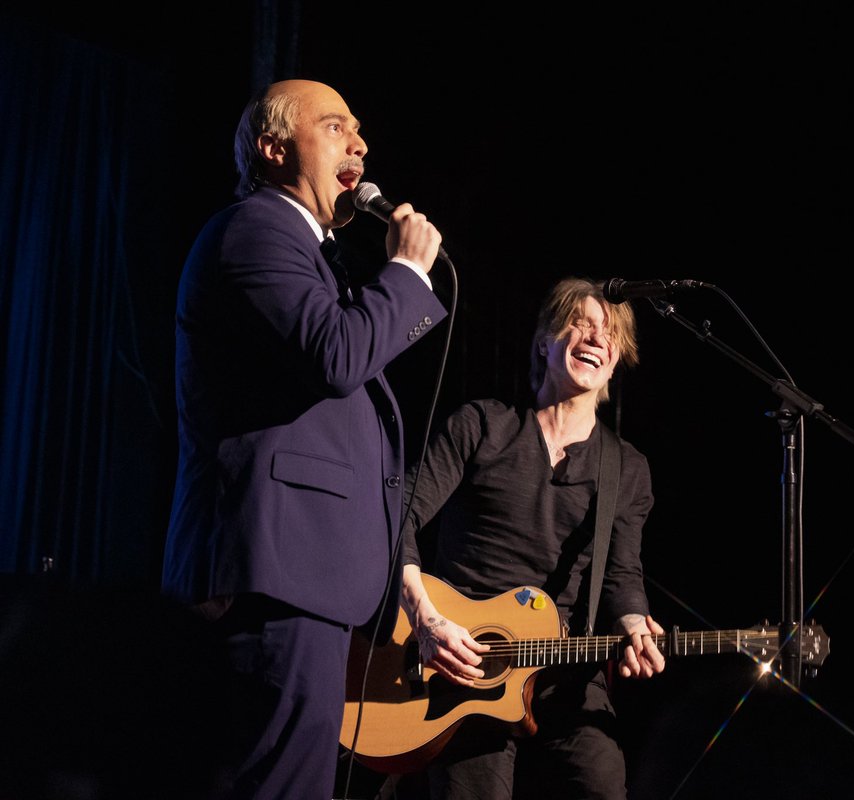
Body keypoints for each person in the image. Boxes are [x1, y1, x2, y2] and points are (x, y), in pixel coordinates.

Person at [161, 78, 448, 800]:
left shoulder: (313, 252)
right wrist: (408, 270)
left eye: (360, 129)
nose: (361, 142)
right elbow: (339, 354)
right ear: (273, 147)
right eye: (336, 126)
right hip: (274, 574)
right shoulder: (255, 229)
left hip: (306, 580)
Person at [394, 276, 666, 800]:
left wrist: (633, 619)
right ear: (545, 340)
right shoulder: (480, 426)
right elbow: (395, 521)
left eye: (609, 333)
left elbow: (622, 574)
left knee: (601, 784)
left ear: (618, 359)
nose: (595, 338)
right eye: (580, 323)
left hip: (565, 669)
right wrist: (426, 620)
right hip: (465, 662)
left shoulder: (627, 469)